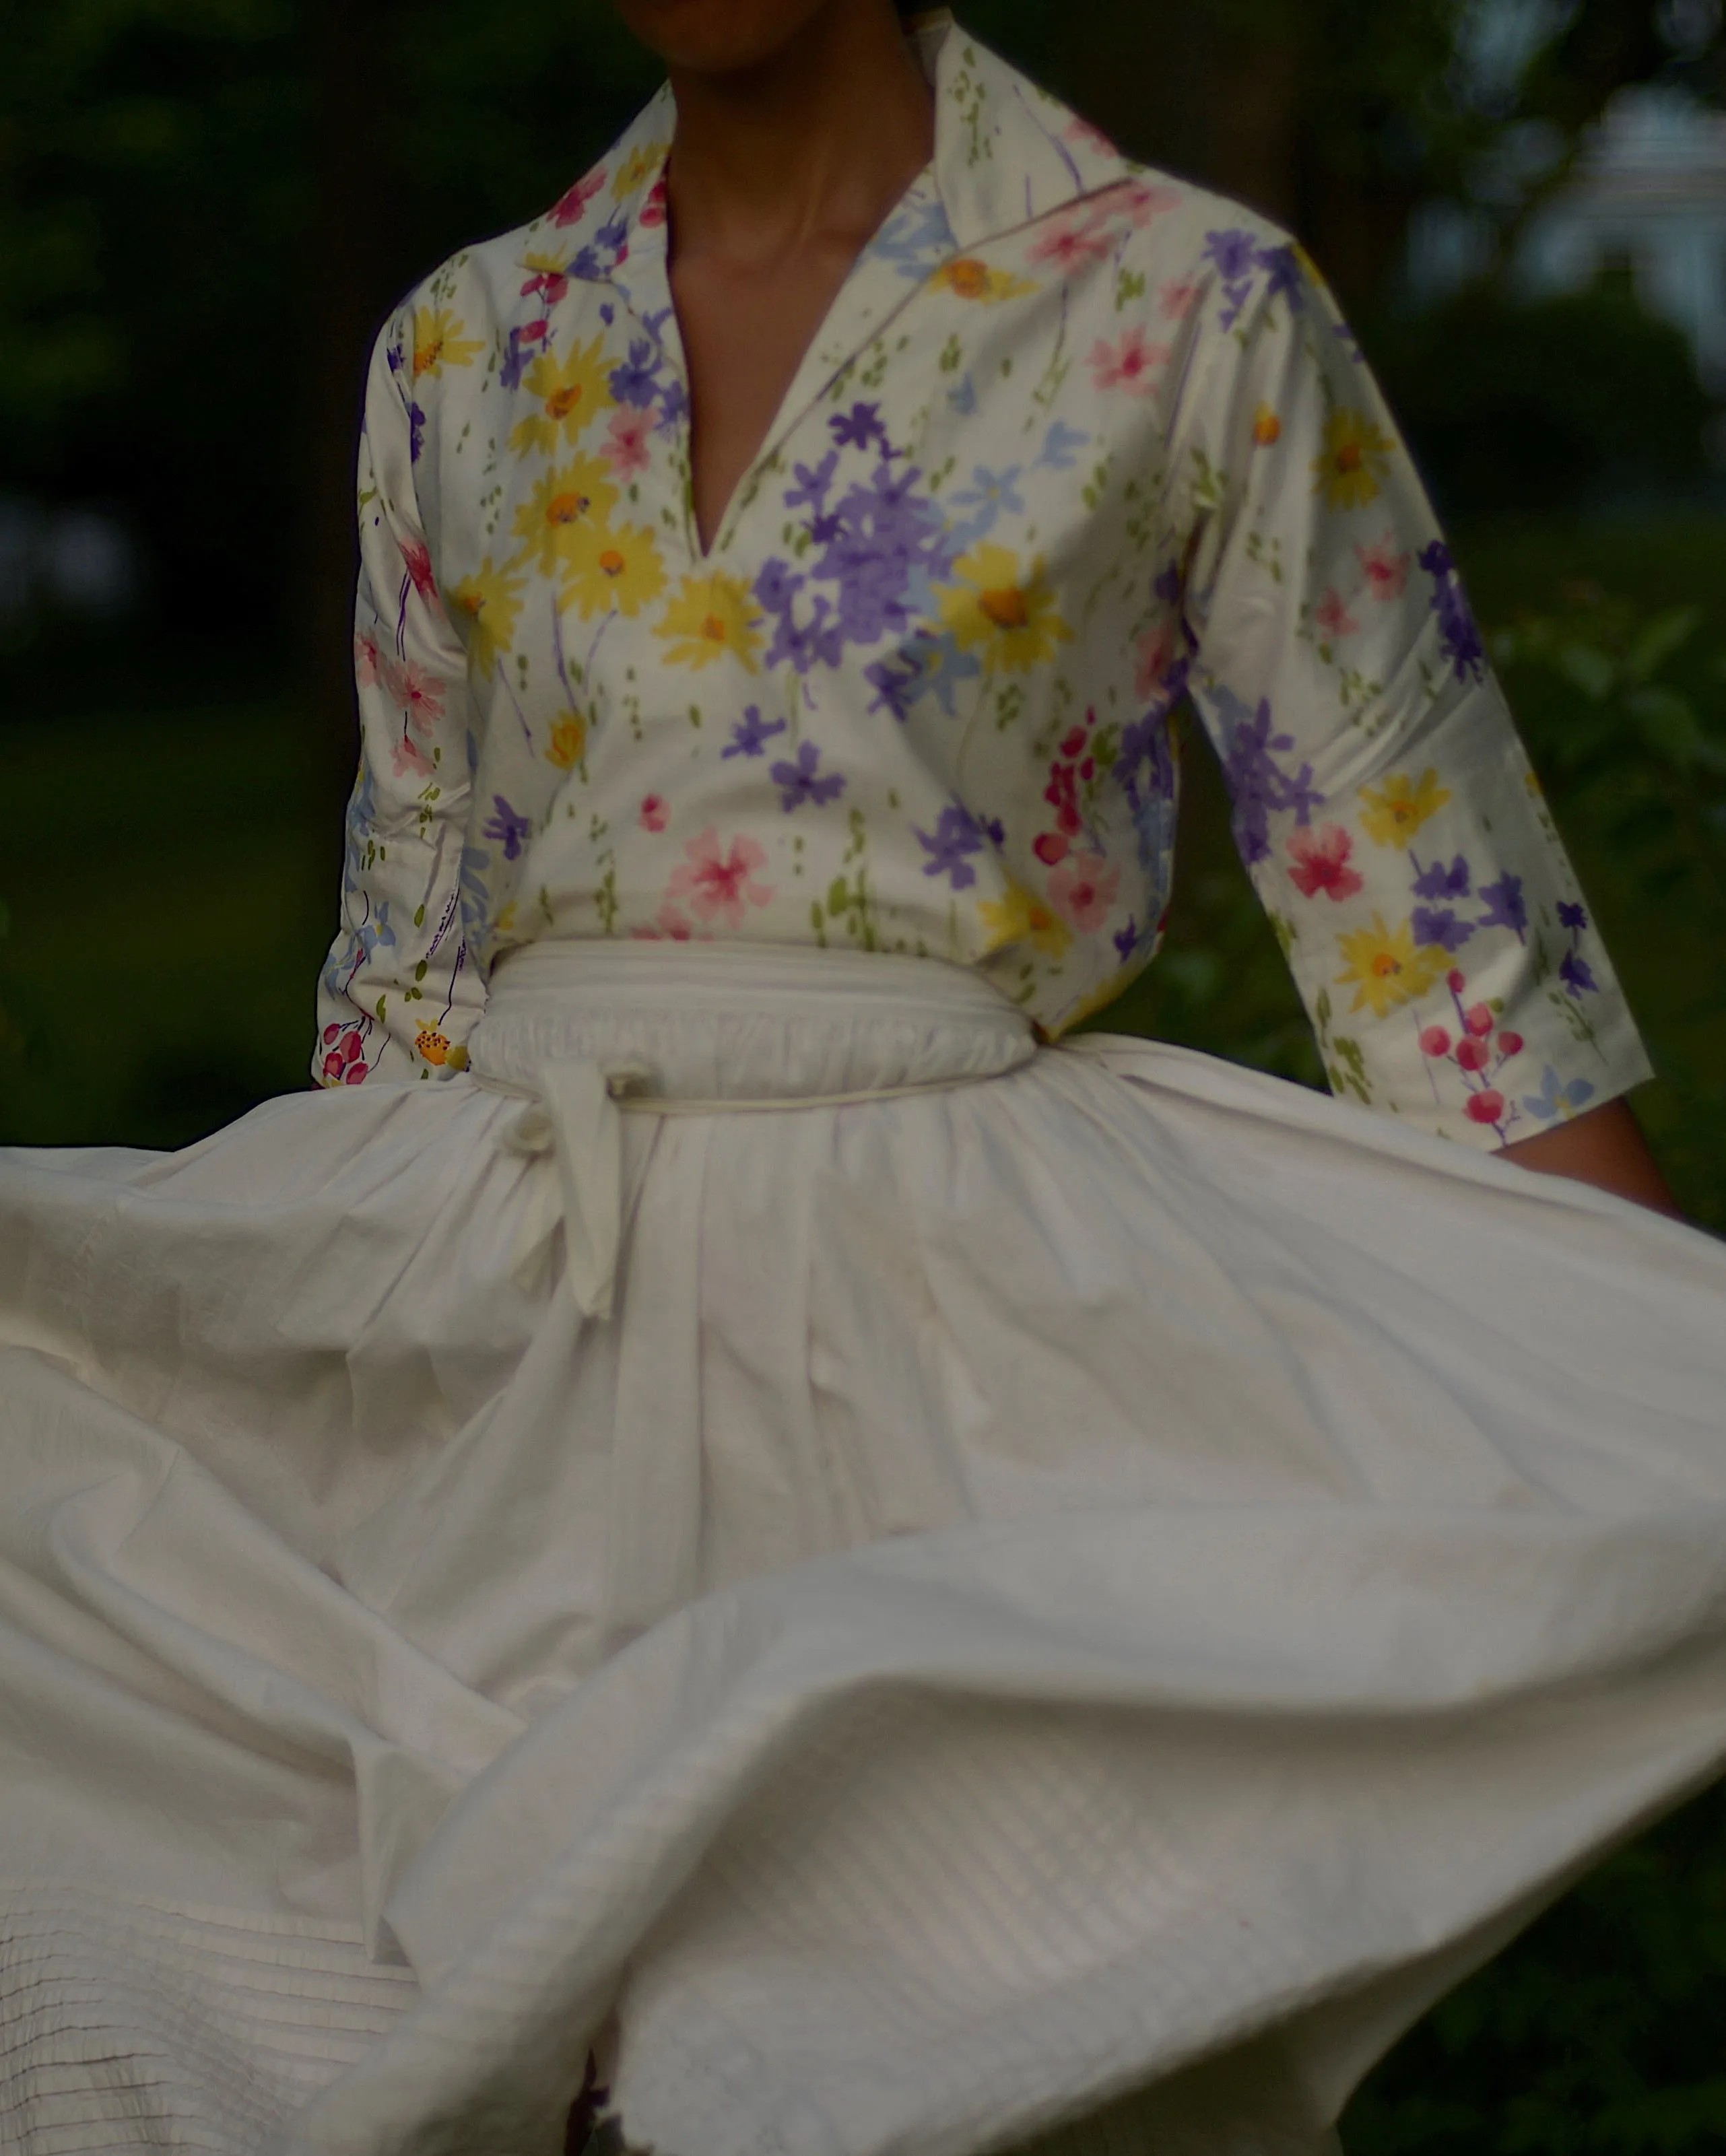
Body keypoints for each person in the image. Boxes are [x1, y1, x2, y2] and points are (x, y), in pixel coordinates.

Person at [0, 3, 1723, 2153]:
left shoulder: (1185, 305)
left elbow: (1452, 967)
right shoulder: (466, 348)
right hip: (517, 1350)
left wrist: (1663, 1411)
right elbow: (401, 1006)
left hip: (963, 1378)